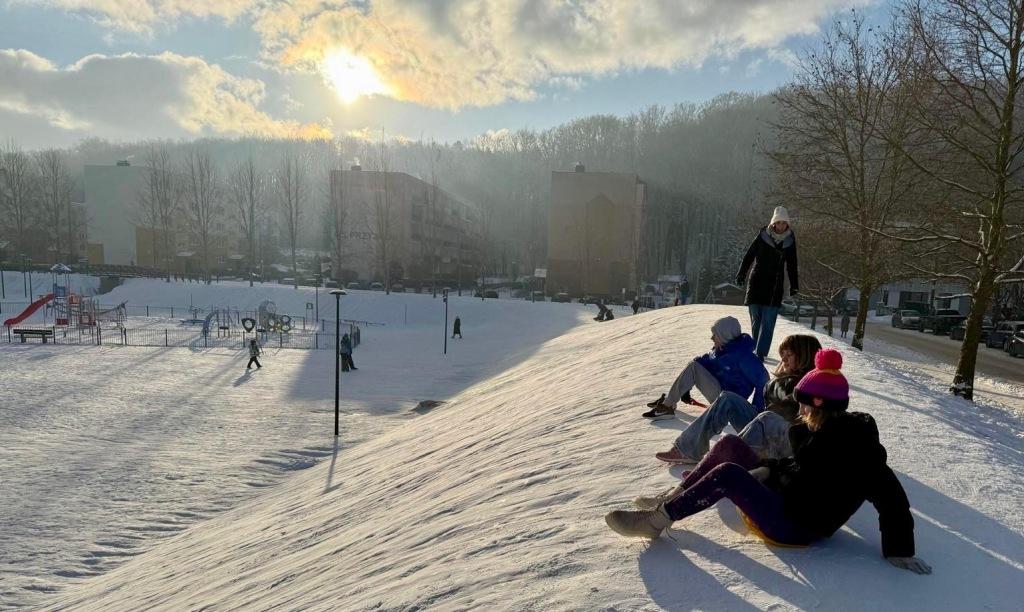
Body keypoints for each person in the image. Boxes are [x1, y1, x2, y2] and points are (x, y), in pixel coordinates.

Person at [606, 349, 932, 575]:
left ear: (819, 405)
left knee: (729, 475)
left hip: (795, 527)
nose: (799, 410)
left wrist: (900, 550)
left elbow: (892, 499)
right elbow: (803, 469)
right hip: (785, 499)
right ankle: (673, 497)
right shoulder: (820, 432)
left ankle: (657, 521)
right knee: (731, 444)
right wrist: (770, 469)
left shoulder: (859, 453)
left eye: (803, 404)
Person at [655, 334, 822, 463]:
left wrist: (780, 386)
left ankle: (718, 464)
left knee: (765, 417)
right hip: (765, 429)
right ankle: (689, 449)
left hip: (786, 440)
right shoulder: (785, 379)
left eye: (789, 354)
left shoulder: (811, 383)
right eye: (782, 354)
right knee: (728, 399)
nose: (783, 359)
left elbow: (791, 413)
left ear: (805, 356)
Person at [642, 317, 768, 419]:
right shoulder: (721, 350)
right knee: (694, 365)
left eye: (715, 335)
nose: (712, 338)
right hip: (721, 394)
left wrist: (756, 410)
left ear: (725, 335)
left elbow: (763, 381)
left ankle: (667, 405)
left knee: (694, 367)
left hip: (731, 403)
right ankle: (669, 402)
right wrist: (685, 387)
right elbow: (703, 362)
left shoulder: (744, 356)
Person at [736, 206, 799, 361]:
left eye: (784, 223)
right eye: (779, 222)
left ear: (787, 224)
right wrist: (741, 274)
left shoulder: (790, 241)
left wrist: (794, 285)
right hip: (757, 283)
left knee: (768, 322)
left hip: (774, 286)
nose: (781, 226)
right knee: (756, 321)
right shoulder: (762, 236)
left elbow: (792, 264)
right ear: (773, 223)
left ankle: (760, 353)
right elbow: (749, 256)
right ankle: (754, 349)